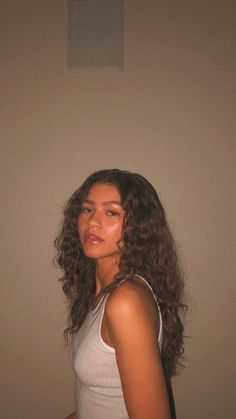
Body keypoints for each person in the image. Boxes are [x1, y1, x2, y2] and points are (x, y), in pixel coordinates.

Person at [54, 169, 187, 419]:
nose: (93, 222)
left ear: (138, 228)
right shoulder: (103, 294)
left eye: (112, 212)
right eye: (86, 209)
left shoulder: (125, 302)